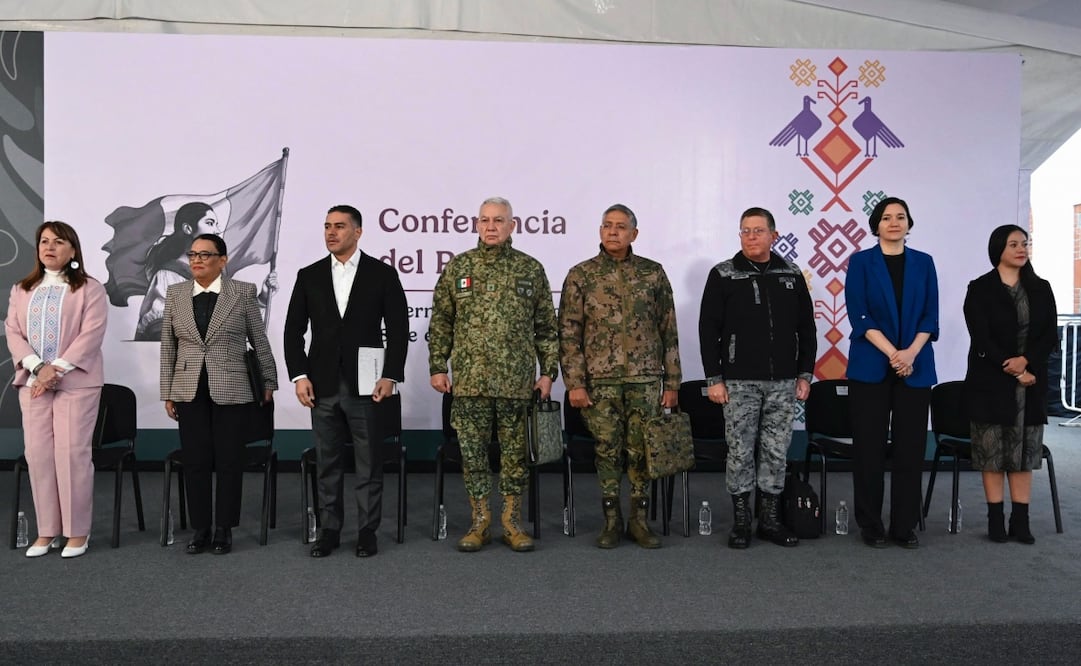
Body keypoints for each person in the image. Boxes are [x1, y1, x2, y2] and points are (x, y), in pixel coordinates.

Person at [428, 196, 559, 553]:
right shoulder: (459, 267)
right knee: (473, 456)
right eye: (484, 220)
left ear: (512, 226)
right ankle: (480, 522)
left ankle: (511, 523)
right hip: (469, 384)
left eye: (498, 220)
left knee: (514, 457)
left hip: (516, 385)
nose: (490, 226)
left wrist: (548, 373)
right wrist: (438, 366)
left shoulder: (530, 269)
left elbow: (547, 327)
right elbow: (441, 321)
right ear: (476, 225)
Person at [284, 205, 408, 558]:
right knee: (327, 461)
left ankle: (367, 530)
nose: (331, 232)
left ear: (358, 232)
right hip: (321, 384)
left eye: (339, 226)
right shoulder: (308, 275)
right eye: (326, 226)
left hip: (367, 384)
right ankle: (329, 530)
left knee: (369, 461)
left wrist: (391, 375)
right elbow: (293, 331)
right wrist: (299, 375)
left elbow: (398, 330)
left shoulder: (381, 274)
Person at [559, 203, 681, 549]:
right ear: (600, 231)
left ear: (634, 234)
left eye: (620, 227)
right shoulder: (581, 275)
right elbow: (568, 333)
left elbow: (668, 329)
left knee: (642, 450)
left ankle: (639, 521)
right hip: (600, 382)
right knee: (607, 450)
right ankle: (611, 521)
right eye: (607, 226)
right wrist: (575, 383)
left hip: (644, 379)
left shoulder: (652, 274)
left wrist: (672, 382)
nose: (613, 232)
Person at [698, 207, 816, 549]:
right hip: (737, 383)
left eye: (758, 231)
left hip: (783, 382)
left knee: (776, 452)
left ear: (773, 235)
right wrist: (714, 379)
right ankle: (741, 522)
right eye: (745, 231)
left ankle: (770, 520)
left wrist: (804, 373)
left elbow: (806, 329)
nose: (751, 236)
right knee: (739, 452)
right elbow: (709, 330)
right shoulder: (723, 274)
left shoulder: (791, 275)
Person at [160, 233, 277, 555]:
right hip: (188, 388)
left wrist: (269, 380)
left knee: (229, 461)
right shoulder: (176, 293)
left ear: (222, 260)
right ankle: (201, 528)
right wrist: (167, 391)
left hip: (233, 388)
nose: (196, 260)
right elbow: (169, 346)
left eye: (205, 254)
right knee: (196, 461)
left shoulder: (243, 292)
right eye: (193, 254)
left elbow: (259, 340)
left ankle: (224, 528)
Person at [6, 221, 107, 558]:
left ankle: (77, 532)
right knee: (38, 456)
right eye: (44, 241)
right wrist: (38, 368)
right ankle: (47, 531)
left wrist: (56, 370)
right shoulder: (22, 289)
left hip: (76, 384)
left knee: (71, 455)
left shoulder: (90, 289)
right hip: (33, 384)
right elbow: (13, 332)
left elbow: (90, 335)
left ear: (73, 250)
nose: (49, 247)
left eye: (58, 242)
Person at [845, 196, 938, 549]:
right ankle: (870, 524)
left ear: (909, 224)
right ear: (876, 225)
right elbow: (860, 315)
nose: (894, 222)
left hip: (916, 366)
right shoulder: (860, 262)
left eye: (901, 217)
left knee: (910, 448)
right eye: (887, 218)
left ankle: (904, 526)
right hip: (871, 365)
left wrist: (910, 353)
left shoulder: (925, 263)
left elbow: (931, 315)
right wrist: (893, 354)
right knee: (868, 447)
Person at [963, 224, 1057, 544]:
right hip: (992, 380)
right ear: (998, 249)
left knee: (1023, 456)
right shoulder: (980, 288)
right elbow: (981, 337)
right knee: (992, 454)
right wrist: (1014, 368)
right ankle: (994, 520)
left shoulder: (1041, 288)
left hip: (1031, 383)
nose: (1021, 248)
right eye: (1013, 243)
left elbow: (1049, 337)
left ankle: (1021, 520)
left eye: (1025, 243)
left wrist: (1027, 362)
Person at [136, 202, 222, 341]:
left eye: (216, 224)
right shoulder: (168, 275)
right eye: (210, 223)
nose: (217, 230)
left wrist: (263, 297)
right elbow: (157, 327)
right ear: (188, 228)